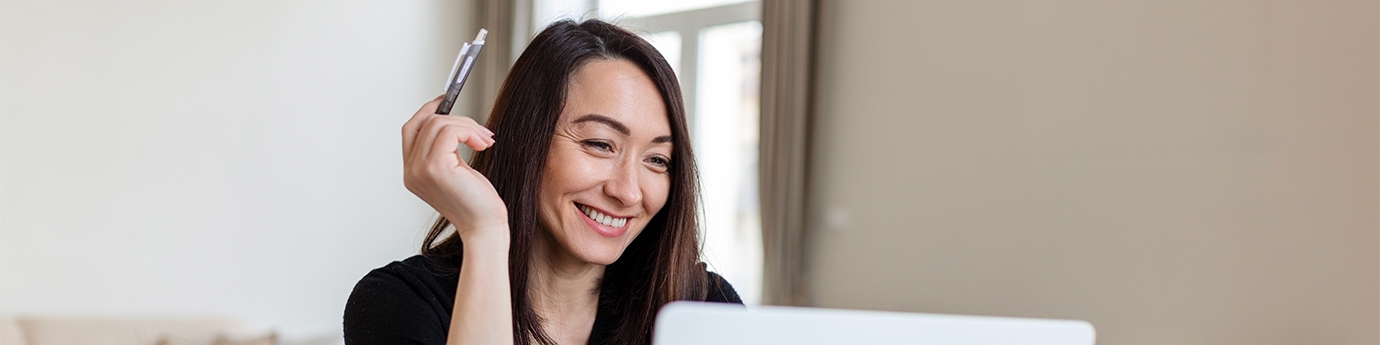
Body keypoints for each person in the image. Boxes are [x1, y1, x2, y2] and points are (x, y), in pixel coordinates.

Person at [343, 19, 742, 345]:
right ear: (525, 142)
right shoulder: (399, 304)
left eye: (657, 160)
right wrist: (485, 232)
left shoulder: (704, 307)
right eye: (600, 144)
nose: (628, 192)